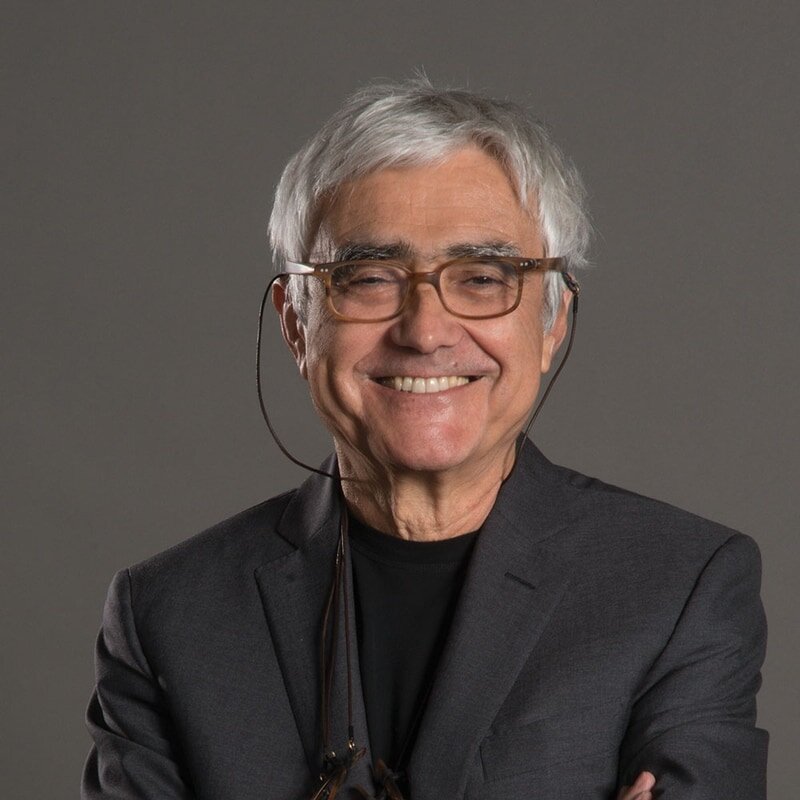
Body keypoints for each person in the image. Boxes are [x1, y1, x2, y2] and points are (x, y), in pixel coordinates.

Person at [82, 80, 768, 800]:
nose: (425, 331)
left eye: (483, 278)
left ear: (553, 322)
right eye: (369, 278)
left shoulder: (680, 586)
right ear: (295, 323)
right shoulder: (167, 615)